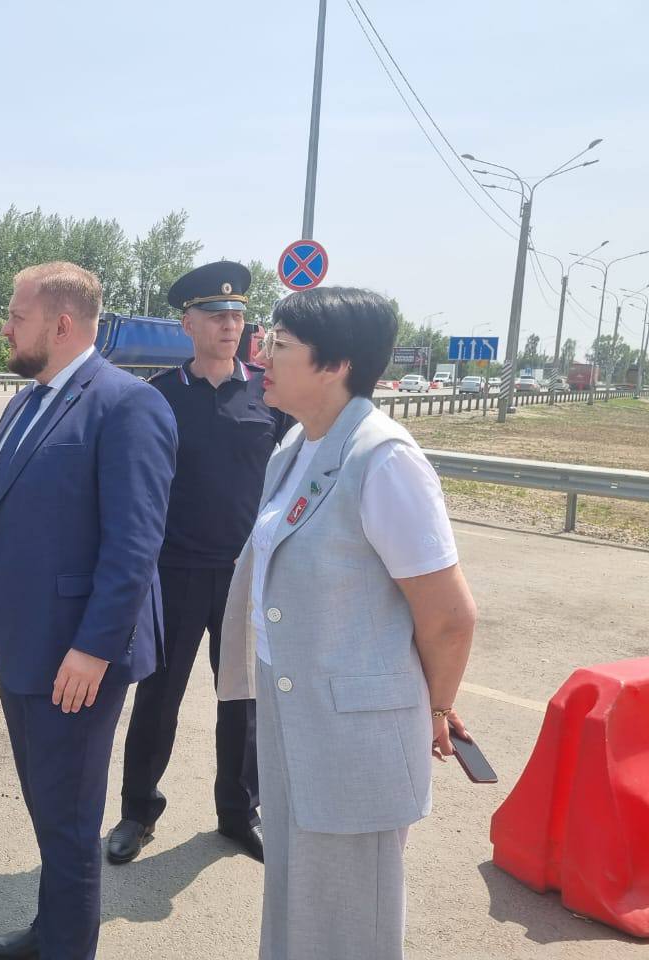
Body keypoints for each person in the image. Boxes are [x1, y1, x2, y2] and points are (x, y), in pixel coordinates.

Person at [214, 287, 477, 959]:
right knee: (299, 899)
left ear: (336, 365)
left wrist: (436, 708)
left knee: (350, 920)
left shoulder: (384, 459)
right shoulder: (298, 444)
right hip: (295, 711)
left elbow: (449, 617)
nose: (259, 355)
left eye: (279, 345)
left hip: (354, 732)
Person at [0, 262, 176, 960]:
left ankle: (68, 947)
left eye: (17, 315)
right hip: (25, 642)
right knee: (49, 808)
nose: (5, 328)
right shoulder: (26, 401)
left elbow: (135, 545)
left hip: (77, 658)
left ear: (62, 324)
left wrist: (94, 649)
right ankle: (52, 932)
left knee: (68, 821)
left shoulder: (127, 405)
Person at [107, 260, 288, 866]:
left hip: (244, 575)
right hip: (173, 574)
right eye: (215, 315)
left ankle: (239, 812)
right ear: (188, 324)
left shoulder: (267, 393)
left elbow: (294, 475)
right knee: (157, 698)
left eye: (237, 314)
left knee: (241, 700)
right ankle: (137, 812)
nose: (229, 324)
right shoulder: (156, 396)